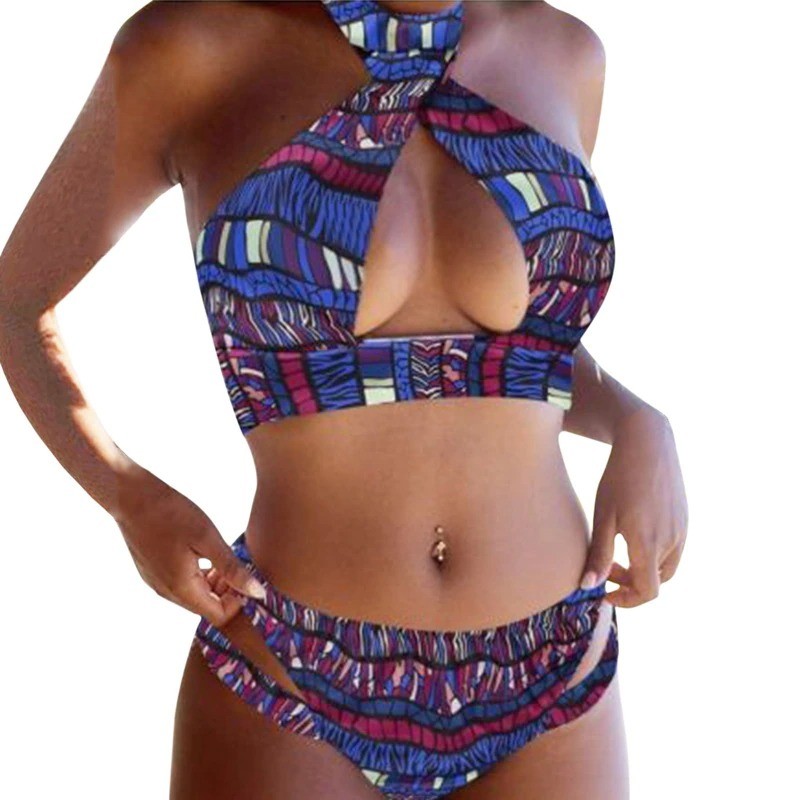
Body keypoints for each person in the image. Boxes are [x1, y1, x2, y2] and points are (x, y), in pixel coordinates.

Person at [0, 1, 688, 798]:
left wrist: (638, 422)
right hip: (292, 667)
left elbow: (525, 356)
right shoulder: (193, 46)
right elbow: (16, 305)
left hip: (553, 663)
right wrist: (128, 494)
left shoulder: (564, 54)